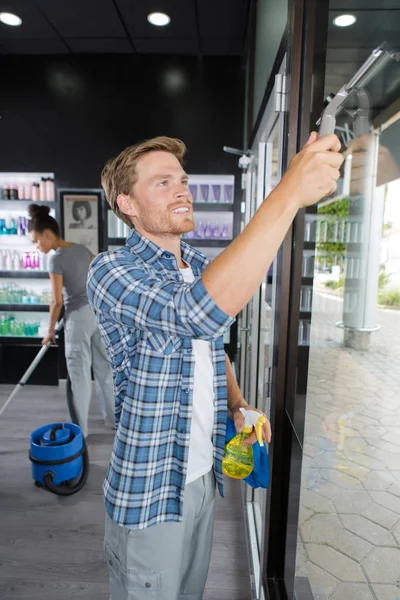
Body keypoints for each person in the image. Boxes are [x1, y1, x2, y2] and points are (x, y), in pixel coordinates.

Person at [87, 133, 343, 600]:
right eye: (162, 183)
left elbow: (210, 344)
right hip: (150, 489)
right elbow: (194, 314)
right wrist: (288, 192)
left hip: (204, 478)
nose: (183, 190)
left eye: (182, 180)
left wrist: (238, 403)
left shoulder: (200, 264)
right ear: (127, 202)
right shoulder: (112, 269)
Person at [28, 204, 115, 438]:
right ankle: (113, 419)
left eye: (36, 241)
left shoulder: (56, 259)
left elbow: (57, 301)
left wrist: (49, 331)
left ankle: (80, 430)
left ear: (47, 234)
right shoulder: (82, 249)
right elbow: (101, 275)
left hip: (77, 318)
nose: (37, 247)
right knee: (104, 369)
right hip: (98, 314)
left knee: (78, 374)